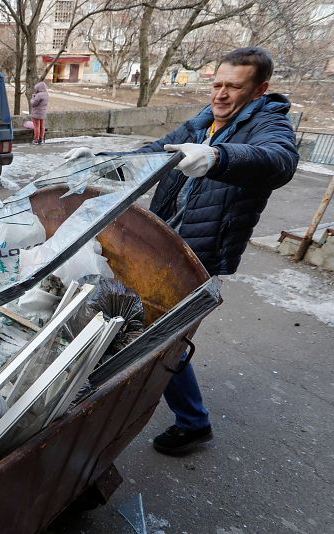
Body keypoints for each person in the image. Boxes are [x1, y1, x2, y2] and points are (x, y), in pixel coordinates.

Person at [65, 47, 299, 455]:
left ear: (260, 90)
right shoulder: (203, 123)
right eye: (218, 84)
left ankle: (193, 423)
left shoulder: (268, 124)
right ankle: (179, 412)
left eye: (235, 87)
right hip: (164, 242)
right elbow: (153, 155)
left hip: (200, 253)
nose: (221, 94)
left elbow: (280, 161)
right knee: (150, 329)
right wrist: (101, 161)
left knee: (160, 337)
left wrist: (218, 156)